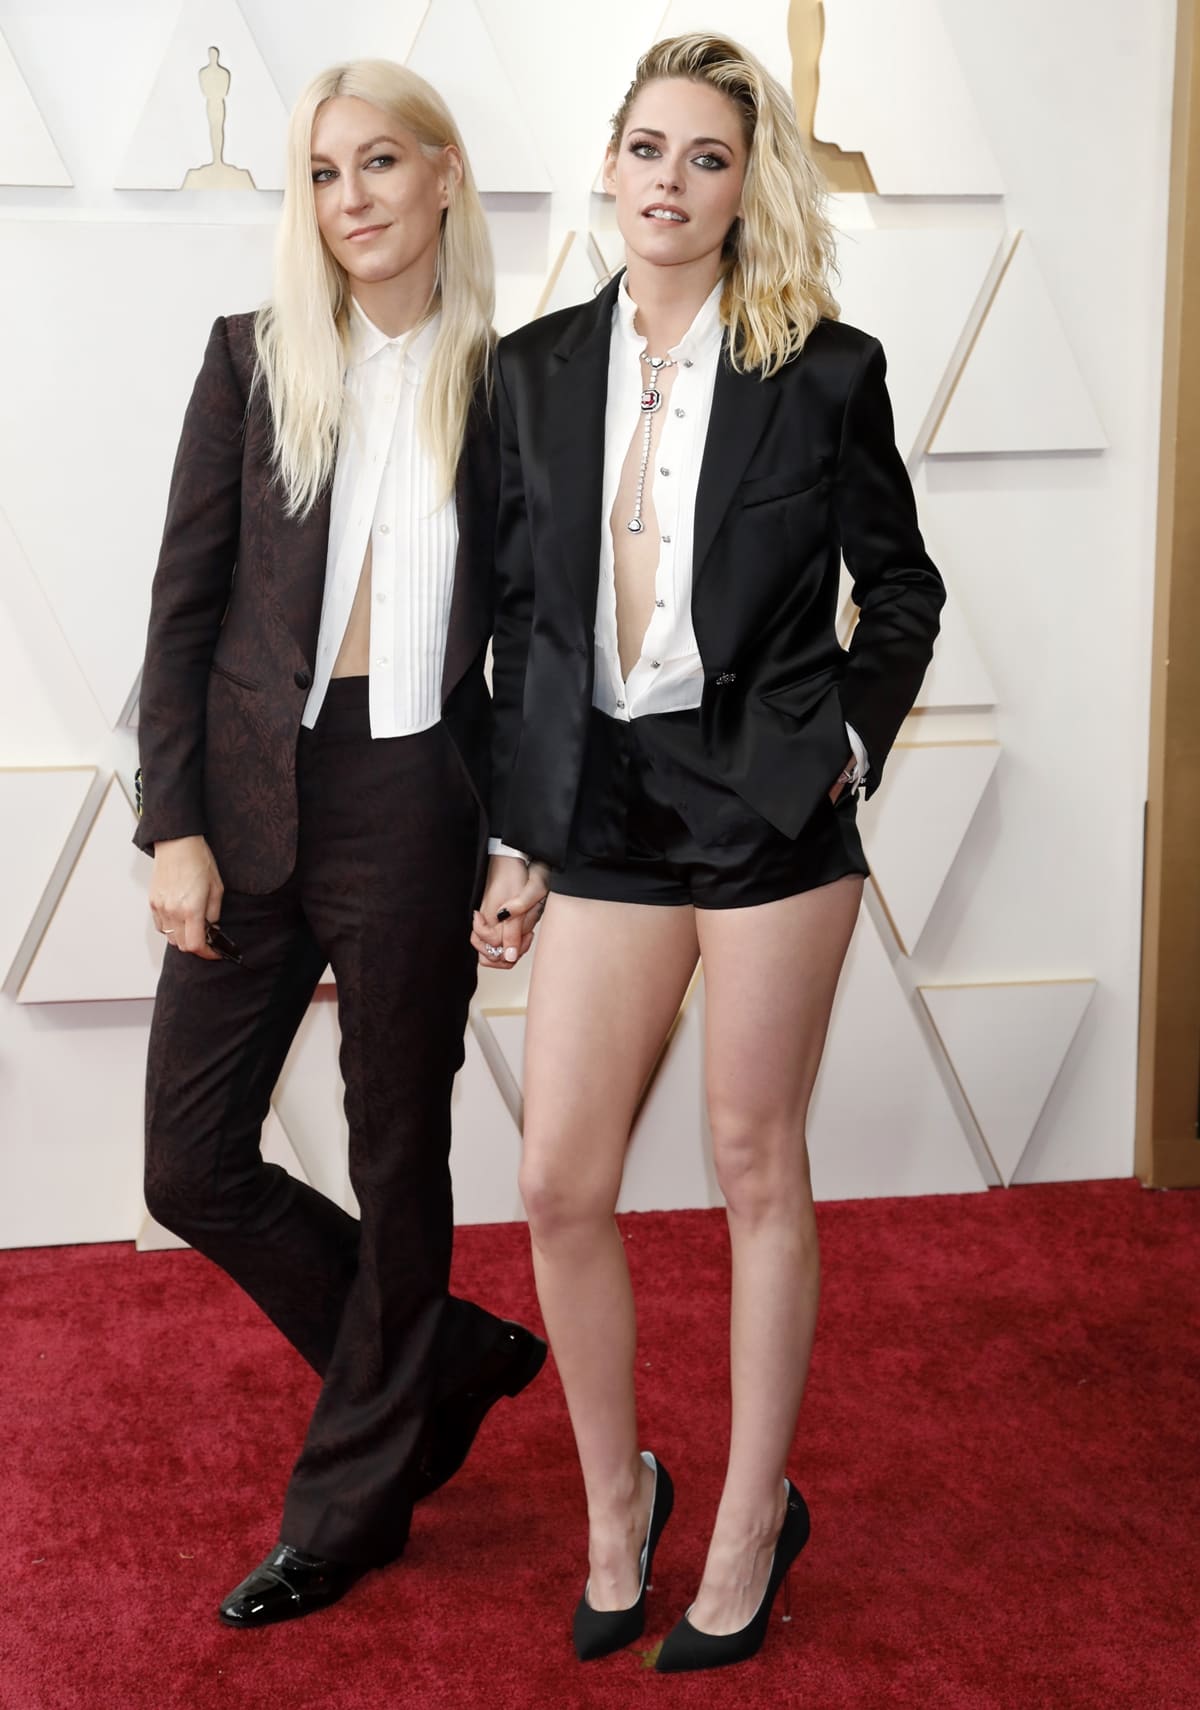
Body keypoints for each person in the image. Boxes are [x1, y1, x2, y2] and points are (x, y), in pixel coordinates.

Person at [474, 32, 944, 1674]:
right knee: (556, 1176)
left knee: (756, 1160)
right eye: (649, 148)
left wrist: (848, 752)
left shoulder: (825, 367)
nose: (671, 182)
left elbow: (904, 594)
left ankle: (751, 1515)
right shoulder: (528, 369)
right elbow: (526, 626)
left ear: (748, 191)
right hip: (597, 805)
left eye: (709, 158)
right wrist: (522, 833)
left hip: (769, 810)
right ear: (608, 164)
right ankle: (623, 1502)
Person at [136, 59, 544, 1629]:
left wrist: (519, 842)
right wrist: (174, 823)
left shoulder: (513, 386)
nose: (350, 197)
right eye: (322, 173)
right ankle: (436, 1353)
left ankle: (350, 1508)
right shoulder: (251, 363)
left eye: (380, 163)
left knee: (396, 1148)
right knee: (190, 1158)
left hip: (414, 804)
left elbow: (532, 644)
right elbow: (180, 612)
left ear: (443, 176)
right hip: (247, 800)